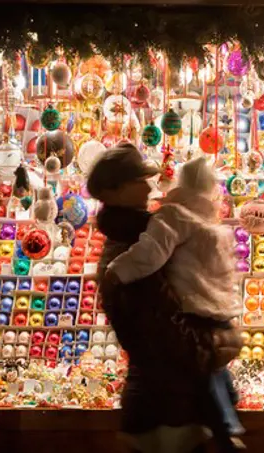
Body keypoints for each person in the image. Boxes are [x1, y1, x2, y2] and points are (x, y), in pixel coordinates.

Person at [89, 143, 239, 453]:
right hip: (167, 404)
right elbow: (161, 330)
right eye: (138, 181)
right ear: (113, 192)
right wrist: (212, 348)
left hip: (164, 397)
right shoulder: (132, 253)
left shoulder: (145, 239)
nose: (148, 187)